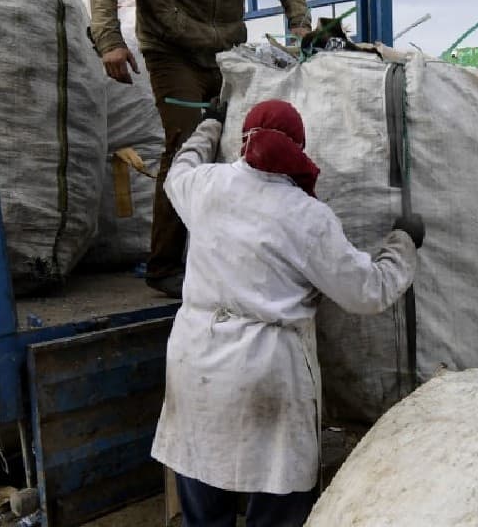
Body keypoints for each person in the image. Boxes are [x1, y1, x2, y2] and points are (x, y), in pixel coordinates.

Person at [153, 99, 423, 527]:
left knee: (202, 487)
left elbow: (177, 172)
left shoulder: (205, 185)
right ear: (299, 148)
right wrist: (403, 244)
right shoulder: (307, 216)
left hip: (195, 357)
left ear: (242, 141)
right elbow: (368, 292)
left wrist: (207, 125)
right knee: (277, 493)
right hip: (265, 368)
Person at [88, 0, 311, 297]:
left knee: (242, 146)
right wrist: (109, 40)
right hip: (171, 53)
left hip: (228, 56)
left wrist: (301, 22)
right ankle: (165, 265)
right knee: (189, 143)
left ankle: (224, 254)